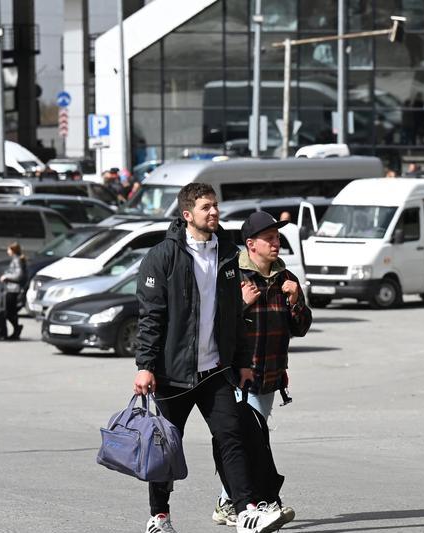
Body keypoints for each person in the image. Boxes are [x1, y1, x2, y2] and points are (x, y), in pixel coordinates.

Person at [133, 183, 293, 533]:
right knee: (165, 448)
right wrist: (145, 366)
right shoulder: (163, 256)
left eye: (215, 206)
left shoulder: (227, 255)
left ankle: (246, 510)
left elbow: (233, 315)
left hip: (214, 371)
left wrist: (243, 363)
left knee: (231, 435)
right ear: (187, 214)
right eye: (206, 207)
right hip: (172, 374)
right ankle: (159, 516)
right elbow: (150, 316)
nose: (214, 212)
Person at [212, 211, 312, 526]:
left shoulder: (286, 279)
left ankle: (229, 502)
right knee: (246, 439)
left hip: (269, 375)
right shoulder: (233, 276)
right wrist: (239, 304)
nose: (276, 243)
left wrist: (296, 301)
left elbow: (301, 328)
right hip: (237, 373)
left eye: (277, 237)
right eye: (269, 238)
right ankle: (253, 503)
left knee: (246, 440)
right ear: (251, 244)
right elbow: (213, 326)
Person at [0, 242, 27, 340]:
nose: (7, 251)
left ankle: (16, 328)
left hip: (13, 290)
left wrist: (6, 277)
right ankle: (16, 329)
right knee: (11, 311)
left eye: (8, 249)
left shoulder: (17, 260)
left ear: (13, 250)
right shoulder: (16, 259)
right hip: (12, 289)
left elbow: (19, 275)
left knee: (8, 312)